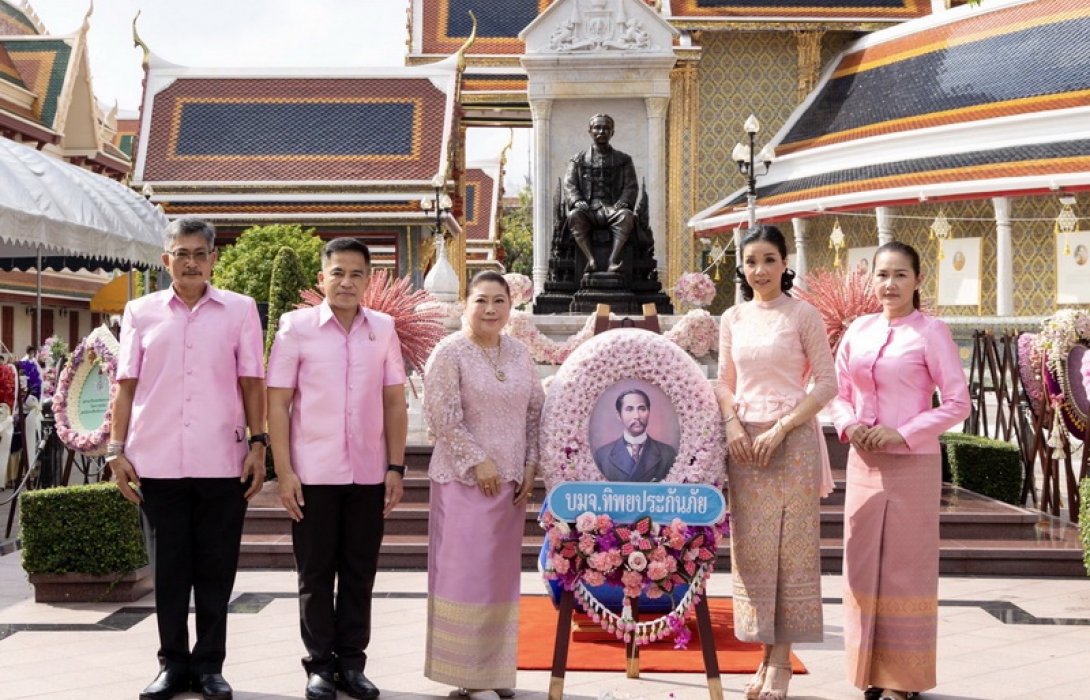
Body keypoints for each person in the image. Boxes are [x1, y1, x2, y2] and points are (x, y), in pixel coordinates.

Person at [108, 218, 267, 700]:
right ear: (166, 260)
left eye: (200, 253)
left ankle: (211, 666)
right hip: (157, 463)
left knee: (217, 572)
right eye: (182, 254)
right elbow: (126, 384)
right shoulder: (140, 312)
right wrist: (116, 451)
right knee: (170, 572)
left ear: (214, 258)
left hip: (224, 462)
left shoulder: (240, 312)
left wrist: (259, 445)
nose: (191, 262)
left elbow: (253, 383)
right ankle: (172, 665)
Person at [828, 242, 970, 700]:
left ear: (917, 280)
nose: (890, 284)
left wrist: (903, 432)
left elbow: (957, 402)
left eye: (900, 275)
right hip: (864, 461)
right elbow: (838, 390)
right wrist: (850, 424)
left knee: (905, 569)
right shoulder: (859, 331)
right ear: (871, 279)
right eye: (882, 275)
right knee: (862, 566)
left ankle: (901, 681)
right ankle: (867, 669)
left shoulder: (931, 332)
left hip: (913, 465)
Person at [267, 237, 408, 700]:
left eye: (356, 274)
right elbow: (279, 403)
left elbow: (393, 400)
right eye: (338, 273)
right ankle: (319, 666)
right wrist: (284, 471)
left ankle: (352, 663)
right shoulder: (295, 327)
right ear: (322, 277)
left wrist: (395, 466)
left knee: (359, 572)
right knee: (314, 573)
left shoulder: (383, 329)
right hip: (313, 475)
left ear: (368, 279)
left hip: (368, 473)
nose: (346, 282)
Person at [716, 224, 837, 700]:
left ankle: (781, 662)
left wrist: (782, 428)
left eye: (769, 259)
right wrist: (731, 425)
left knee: (790, 551)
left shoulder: (802, 315)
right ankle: (764, 652)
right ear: (742, 268)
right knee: (753, 554)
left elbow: (827, 385)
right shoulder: (733, 318)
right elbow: (724, 382)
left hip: (791, 445)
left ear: (785, 263)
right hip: (745, 446)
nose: (759, 270)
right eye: (751, 262)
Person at [423, 270, 543, 698]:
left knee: (499, 578)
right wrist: (479, 462)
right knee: (466, 576)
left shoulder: (518, 353)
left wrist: (530, 465)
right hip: (463, 482)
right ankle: (468, 676)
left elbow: (534, 413)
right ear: (465, 304)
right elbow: (442, 417)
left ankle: (494, 671)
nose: (490, 309)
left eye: (498, 301)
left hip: (510, 486)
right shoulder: (450, 352)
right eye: (481, 300)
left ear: (511, 306)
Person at [564, 113, 639, 273]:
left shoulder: (624, 159)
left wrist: (625, 201)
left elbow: (631, 185)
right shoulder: (578, 159)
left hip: (611, 208)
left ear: (612, 132)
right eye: (597, 127)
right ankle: (591, 260)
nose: (601, 131)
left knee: (626, 216)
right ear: (590, 131)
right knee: (574, 216)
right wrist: (577, 200)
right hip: (589, 209)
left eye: (606, 128)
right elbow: (569, 184)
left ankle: (613, 260)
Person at [592, 388, 676, 482]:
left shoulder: (667, 454)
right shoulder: (603, 455)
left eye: (642, 409)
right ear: (619, 415)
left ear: (649, 412)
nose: (637, 416)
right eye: (629, 409)